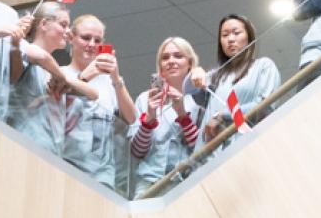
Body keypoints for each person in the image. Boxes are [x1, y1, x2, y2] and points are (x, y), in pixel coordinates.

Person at [5, 0, 95, 155]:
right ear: (44, 24)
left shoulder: (54, 71)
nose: (68, 32)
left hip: (51, 153)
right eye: (63, 24)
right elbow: (37, 54)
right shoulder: (22, 48)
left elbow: (93, 93)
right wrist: (60, 76)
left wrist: (64, 79)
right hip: (22, 146)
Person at [60, 14, 137, 190]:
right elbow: (53, 111)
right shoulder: (59, 72)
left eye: (97, 40)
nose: (92, 45)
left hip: (104, 174)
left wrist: (115, 77)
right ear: (71, 38)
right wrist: (84, 78)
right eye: (86, 38)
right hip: (67, 165)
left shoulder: (109, 82)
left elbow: (132, 119)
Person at [128, 37, 203, 190]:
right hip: (149, 183)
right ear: (160, 65)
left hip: (187, 183)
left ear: (189, 62)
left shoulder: (200, 99)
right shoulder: (145, 99)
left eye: (178, 55)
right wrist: (149, 119)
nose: (171, 61)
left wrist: (183, 115)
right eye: (165, 57)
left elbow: (203, 149)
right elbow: (136, 152)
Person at [200, 14, 281, 142]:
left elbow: (266, 107)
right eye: (225, 35)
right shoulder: (216, 75)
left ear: (249, 37)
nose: (230, 39)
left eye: (236, 33)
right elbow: (190, 91)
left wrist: (222, 116)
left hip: (242, 144)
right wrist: (195, 71)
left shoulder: (263, 66)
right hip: (207, 152)